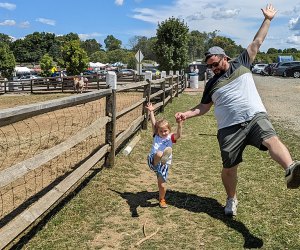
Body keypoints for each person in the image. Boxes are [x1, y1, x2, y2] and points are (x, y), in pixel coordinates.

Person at [175, 4, 300, 216]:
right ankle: (231, 198)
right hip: (228, 128)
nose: (213, 68)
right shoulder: (211, 84)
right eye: (210, 67)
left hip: (253, 117)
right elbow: (204, 107)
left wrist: (268, 19)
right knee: (229, 168)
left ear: (224, 57)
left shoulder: (242, 62)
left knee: (271, 138)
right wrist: (187, 113)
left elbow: (257, 42)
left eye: (215, 63)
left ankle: (291, 169)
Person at [145, 102, 183, 208]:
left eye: (165, 131)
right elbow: (153, 123)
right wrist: (151, 111)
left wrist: (180, 124)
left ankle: (162, 199)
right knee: (159, 153)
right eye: (161, 131)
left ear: (169, 130)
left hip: (164, 165)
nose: (163, 133)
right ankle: (161, 158)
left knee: (162, 184)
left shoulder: (170, 137)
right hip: (153, 160)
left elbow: (178, 135)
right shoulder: (156, 136)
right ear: (158, 131)